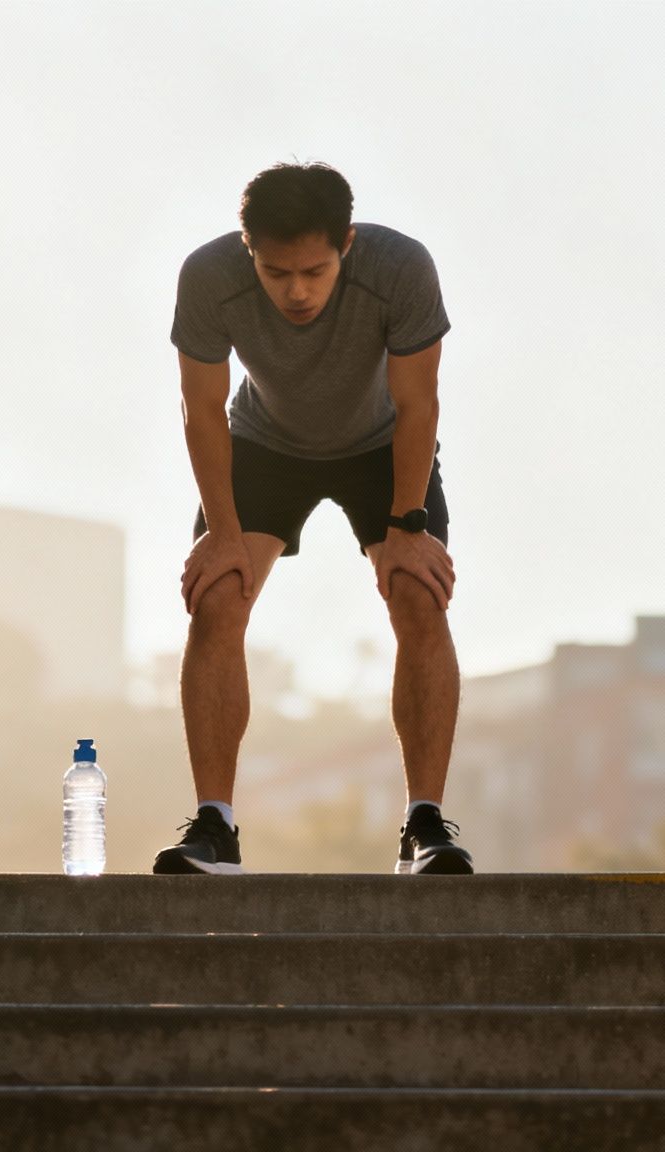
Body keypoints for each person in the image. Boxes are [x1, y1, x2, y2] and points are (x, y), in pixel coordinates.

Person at [152, 161, 471, 876]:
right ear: (248, 252)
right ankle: (215, 827)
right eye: (276, 272)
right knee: (217, 598)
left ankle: (424, 828)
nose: (296, 290)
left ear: (347, 244)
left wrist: (408, 527)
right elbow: (200, 410)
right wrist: (224, 535)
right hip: (266, 443)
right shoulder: (208, 278)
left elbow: (420, 403)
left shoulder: (400, 268)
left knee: (420, 598)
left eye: (315, 272)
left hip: (383, 445)